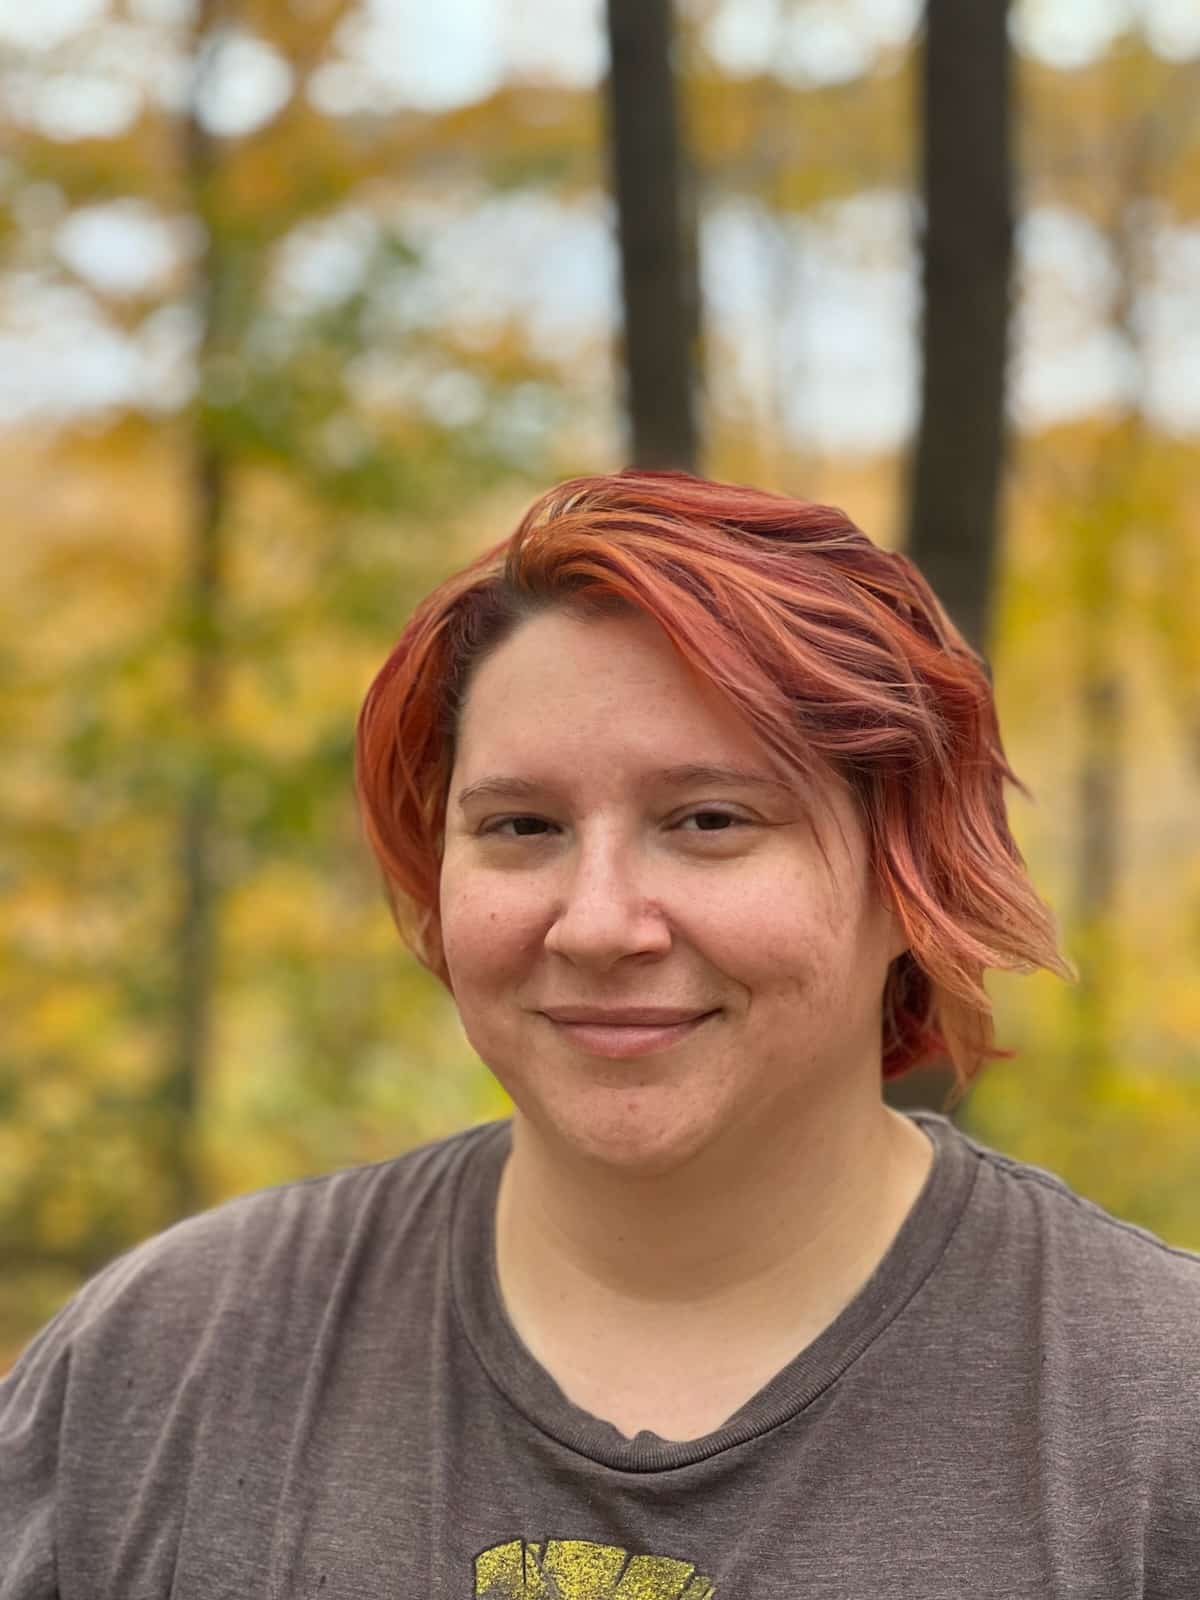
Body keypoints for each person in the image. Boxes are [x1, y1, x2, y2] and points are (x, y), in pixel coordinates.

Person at [2, 469, 1197, 1599]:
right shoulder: (163, 1367)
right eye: (521, 827)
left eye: (711, 818)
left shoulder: (1153, 1419)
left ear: (909, 876)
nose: (599, 923)